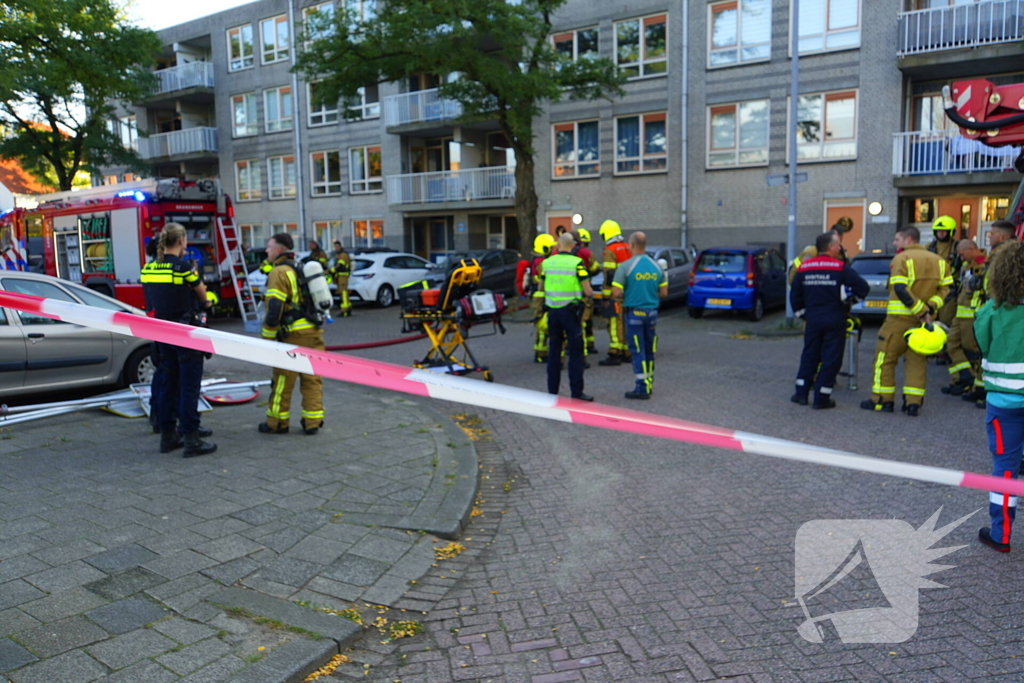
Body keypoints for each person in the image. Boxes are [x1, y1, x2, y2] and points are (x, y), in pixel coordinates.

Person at [139, 223, 217, 457]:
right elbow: (201, 295)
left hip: (161, 332)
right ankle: (191, 438)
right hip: (186, 333)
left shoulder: (149, 268)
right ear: (181, 241)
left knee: (167, 385)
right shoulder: (184, 267)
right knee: (189, 385)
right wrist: (206, 303)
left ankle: (168, 436)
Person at [860, 226, 952, 416]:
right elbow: (946, 290)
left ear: (909, 240)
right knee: (917, 362)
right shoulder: (940, 261)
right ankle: (913, 404)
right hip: (925, 322)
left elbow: (900, 289)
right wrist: (930, 308)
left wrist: (918, 309)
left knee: (884, 360)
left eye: (897, 239)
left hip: (899, 321)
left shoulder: (902, 259)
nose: (894, 243)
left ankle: (881, 400)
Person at [973, 240, 1024, 552]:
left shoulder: (989, 312)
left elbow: (981, 346)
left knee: (1004, 469)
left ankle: (1001, 534)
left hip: (1004, 402)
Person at [790, 232, 869, 409]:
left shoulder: (804, 267)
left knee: (809, 355)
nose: (840, 248)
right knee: (831, 358)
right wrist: (850, 301)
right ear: (831, 247)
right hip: (835, 318)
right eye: (838, 245)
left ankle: (801, 394)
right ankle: (821, 398)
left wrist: (802, 314)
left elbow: (795, 294)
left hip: (813, 319)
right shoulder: (840, 267)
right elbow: (863, 288)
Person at [260, 233, 325, 435]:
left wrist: (268, 336)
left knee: (282, 380)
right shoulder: (300, 268)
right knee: (312, 378)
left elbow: (275, 307)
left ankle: (277, 423)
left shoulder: (279, 272)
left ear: (279, 250)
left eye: (269, 247)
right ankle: (312, 422)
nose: (266, 251)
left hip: (292, 336)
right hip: (314, 331)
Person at [611, 231, 667, 400]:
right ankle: (649, 383)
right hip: (652, 313)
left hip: (634, 313)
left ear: (632, 245)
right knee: (650, 350)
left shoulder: (625, 266)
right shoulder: (656, 266)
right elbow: (663, 292)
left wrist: (628, 294)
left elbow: (616, 292)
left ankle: (641, 388)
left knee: (638, 351)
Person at [539, 232, 594, 401]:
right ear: (573, 246)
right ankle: (576, 393)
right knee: (575, 352)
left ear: (558, 245)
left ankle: (552, 392)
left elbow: (540, 287)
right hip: (570, 312)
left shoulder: (546, 263)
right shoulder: (577, 263)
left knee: (554, 351)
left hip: (553, 312)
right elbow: (588, 291)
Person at [941, 239, 986, 397]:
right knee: (950, 344)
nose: (960, 258)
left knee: (973, 352)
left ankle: (974, 385)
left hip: (973, 317)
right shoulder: (966, 268)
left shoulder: (984, 266)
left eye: (962, 254)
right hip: (959, 316)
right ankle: (964, 377)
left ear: (971, 249)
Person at [597, 220, 633, 366]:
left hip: (615, 293)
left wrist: (606, 294)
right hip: (629, 292)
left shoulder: (610, 250)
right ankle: (626, 351)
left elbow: (610, 274)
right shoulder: (628, 247)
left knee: (614, 322)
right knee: (626, 321)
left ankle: (615, 352)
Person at [788, 217, 852, 283]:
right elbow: (797, 268)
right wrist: (796, 286)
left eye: (840, 241)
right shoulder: (812, 252)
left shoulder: (841, 253)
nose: (839, 245)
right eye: (836, 241)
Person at [530, 233, 557, 363]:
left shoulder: (537, 260)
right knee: (543, 326)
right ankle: (541, 353)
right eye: (551, 247)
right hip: (542, 297)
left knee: (542, 326)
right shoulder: (541, 263)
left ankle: (541, 351)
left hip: (540, 296)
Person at [573, 228, 599, 354]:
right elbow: (595, 268)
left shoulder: (562, 253)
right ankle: (588, 346)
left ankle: (574, 345)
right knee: (586, 320)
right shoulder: (586, 253)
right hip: (585, 290)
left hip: (569, 291)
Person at [331, 240, 352, 317]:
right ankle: (348, 308)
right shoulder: (340, 254)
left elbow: (340, 265)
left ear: (340, 246)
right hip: (340, 276)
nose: (336, 248)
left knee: (343, 293)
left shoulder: (342, 255)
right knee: (344, 293)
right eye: (335, 247)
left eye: (337, 247)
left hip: (343, 276)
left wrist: (331, 270)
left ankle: (344, 311)